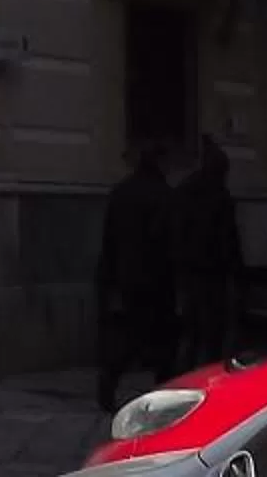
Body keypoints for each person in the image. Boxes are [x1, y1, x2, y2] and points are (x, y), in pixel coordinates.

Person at [93, 145, 178, 409]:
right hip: (157, 278)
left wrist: (108, 277)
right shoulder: (164, 195)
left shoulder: (121, 193)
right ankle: (165, 394)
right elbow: (168, 240)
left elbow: (109, 239)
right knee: (163, 340)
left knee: (130, 337)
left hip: (127, 276)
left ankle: (108, 381)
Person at [174, 137, 242, 368]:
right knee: (211, 330)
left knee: (192, 331)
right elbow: (228, 238)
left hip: (190, 269)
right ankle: (207, 373)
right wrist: (235, 269)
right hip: (212, 272)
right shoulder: (219, 196)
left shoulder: (185, 191)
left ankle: (184, 373)